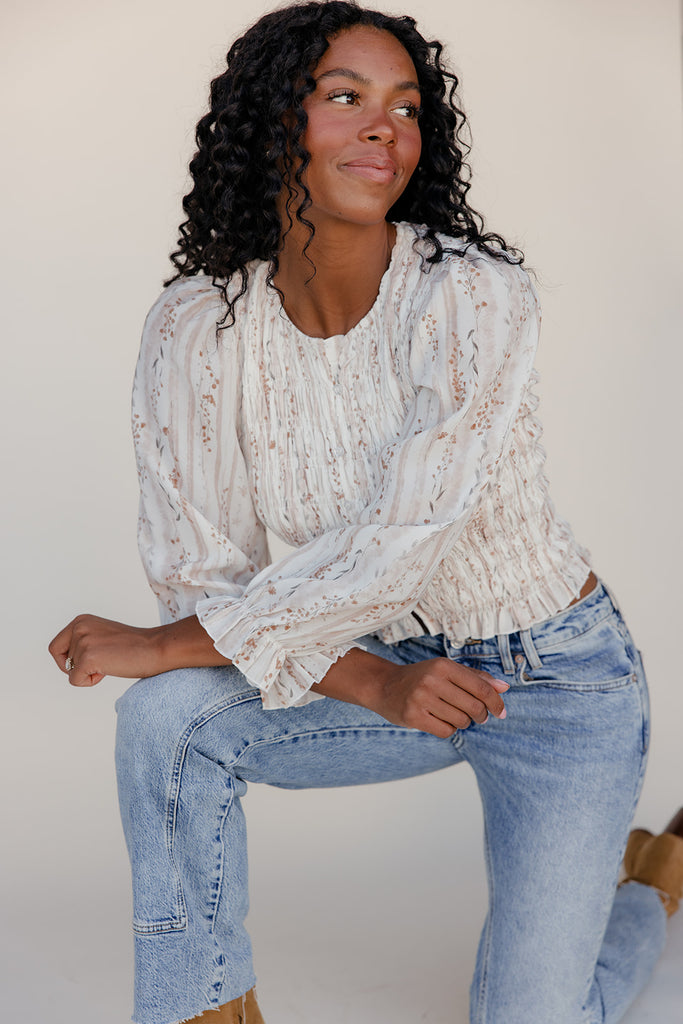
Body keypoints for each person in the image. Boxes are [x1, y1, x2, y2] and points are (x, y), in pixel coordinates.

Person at [48, 3, 683, 1022]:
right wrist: (376, 681)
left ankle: (648, 882)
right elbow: (202, 566)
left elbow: (404, 533)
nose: (384, 127)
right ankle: (201, 1009)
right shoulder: (197, 327)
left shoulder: (474, 297)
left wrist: (165, 640)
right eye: (344, 99)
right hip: (373, 666)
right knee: (163, 718)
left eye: (404, 106)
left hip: (553, 681)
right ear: (274, 124)